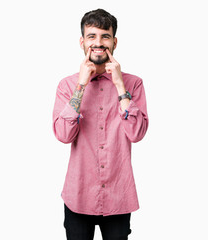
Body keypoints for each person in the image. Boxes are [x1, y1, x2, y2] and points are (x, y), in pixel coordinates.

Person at [52, 9, 149, 240]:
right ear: (82, 42)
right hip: (79, 196)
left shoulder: (133, 84)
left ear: (114, 42)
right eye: (92, 36)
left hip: (119, 196)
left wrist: (119, 85)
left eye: (105, 36)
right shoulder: (67, 85)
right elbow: (63, 135)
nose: (98, 42)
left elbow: (136, 133)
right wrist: (81, 85)